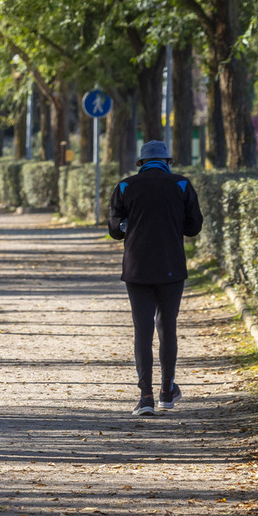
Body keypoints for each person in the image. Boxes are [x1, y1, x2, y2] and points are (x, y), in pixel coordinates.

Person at [108, 140, 203, 416]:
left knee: (143, 329)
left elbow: (115, 229)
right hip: (171, 266)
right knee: (167, 326)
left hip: (137, 268)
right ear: (167, 162)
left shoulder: (125, 186)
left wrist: (131, 225)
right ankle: (167, 391)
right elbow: (194, 226)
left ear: (141, 163)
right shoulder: (181, 185)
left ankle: (145, 397)